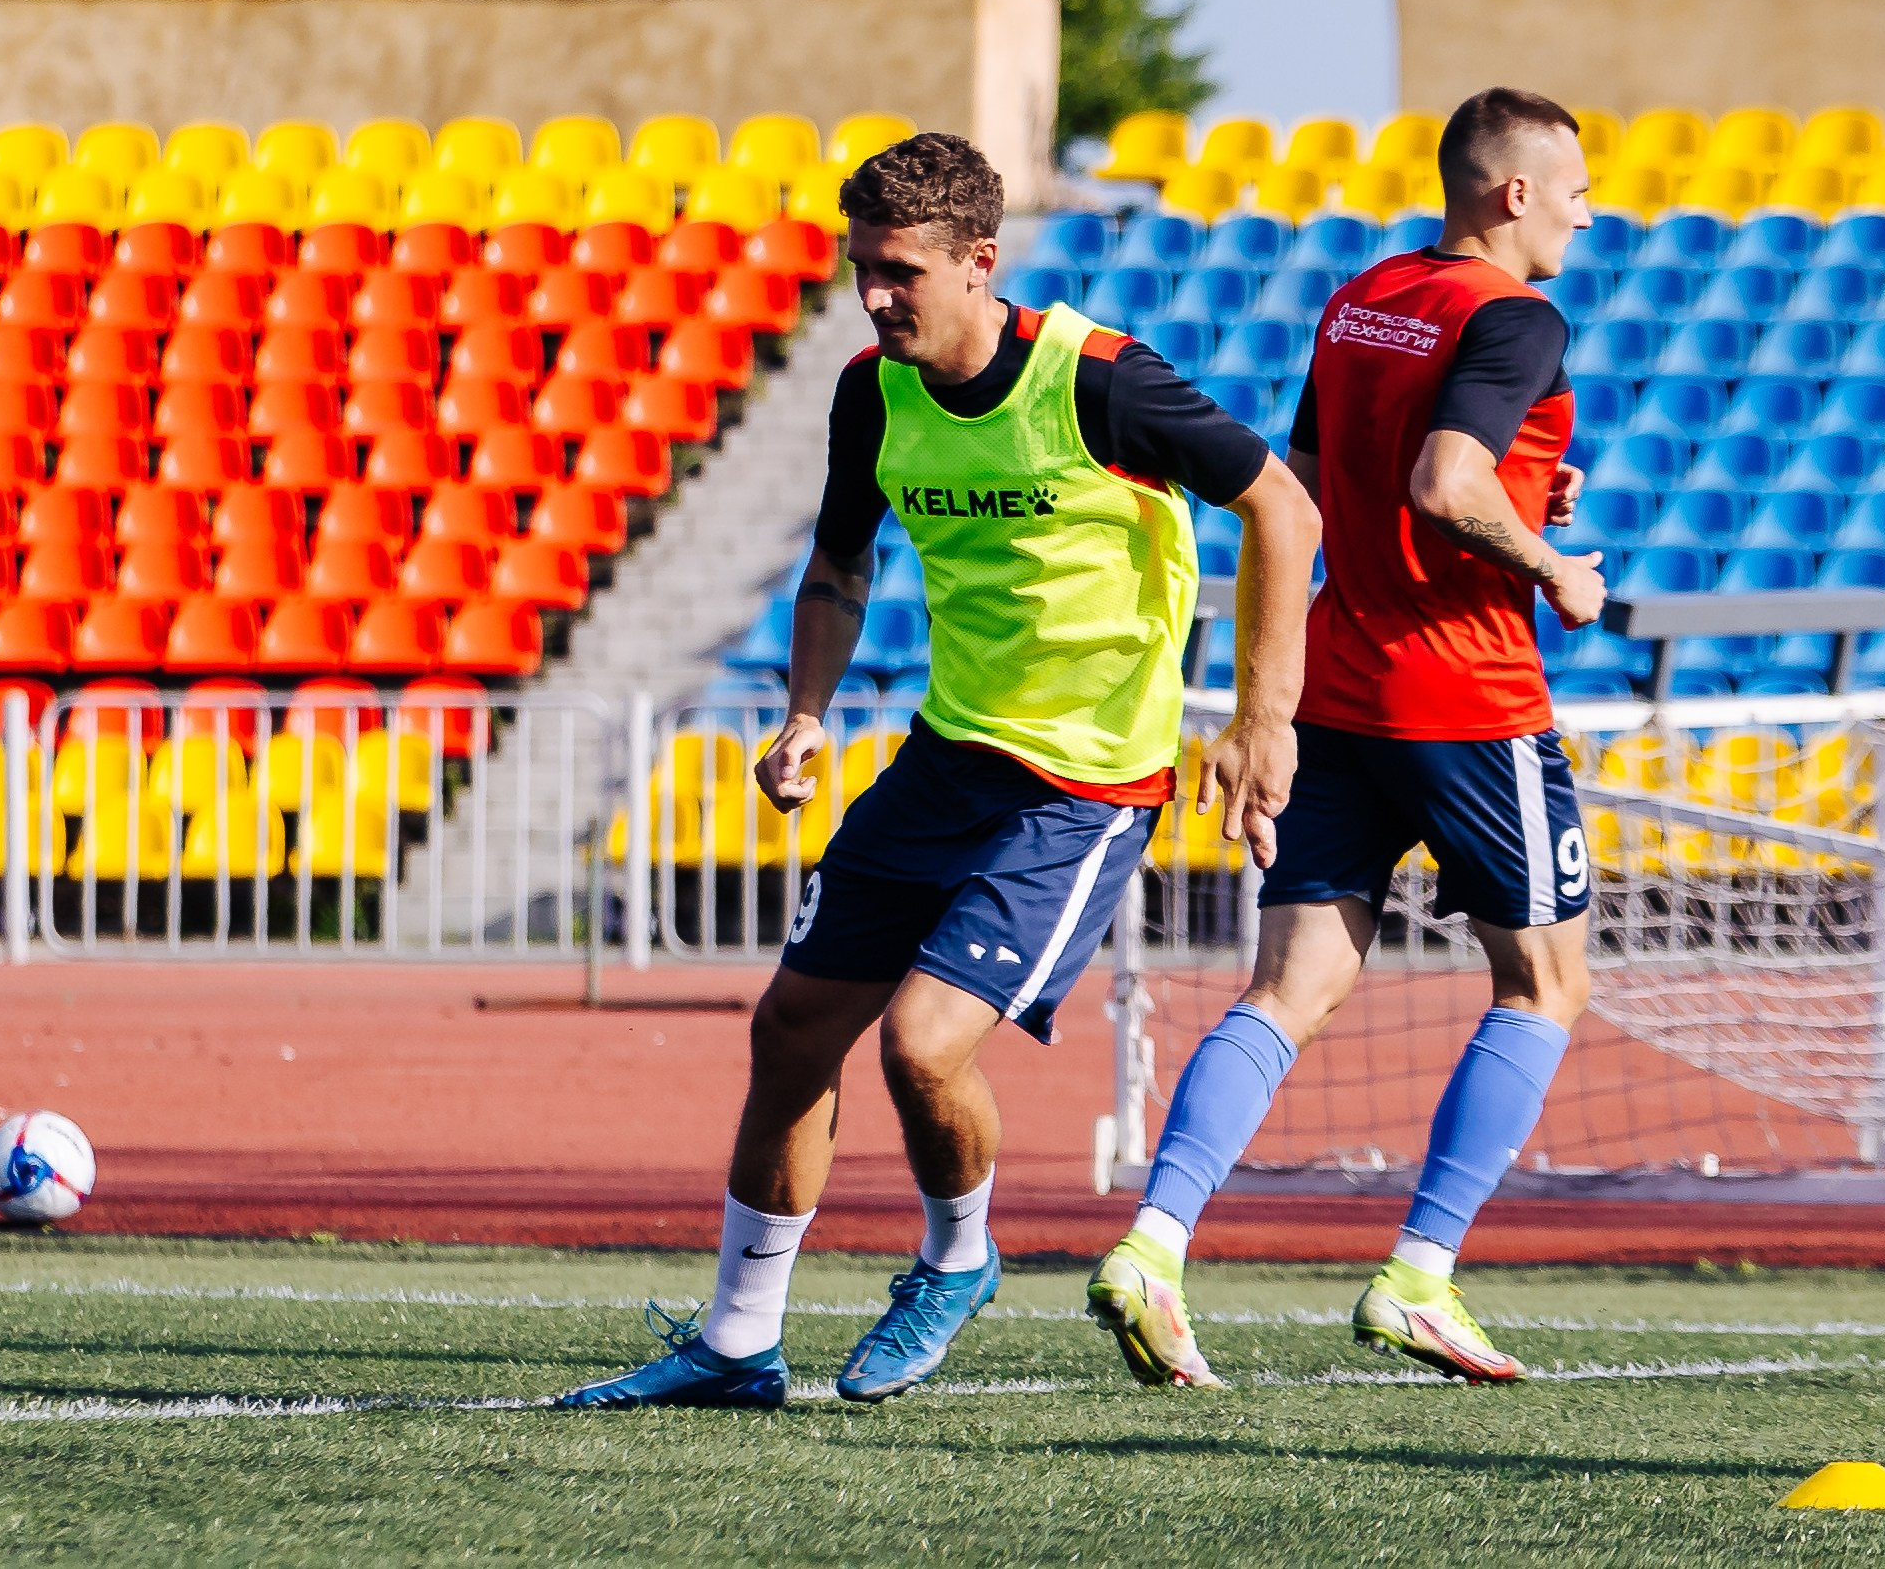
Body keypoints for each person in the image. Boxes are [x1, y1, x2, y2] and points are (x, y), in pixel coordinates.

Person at [559, 132, 1322, 1409]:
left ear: (980, 264)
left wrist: (1264, 717)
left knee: (921, 1045)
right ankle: (739, 1341)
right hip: (946, 755)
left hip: (1083, 786)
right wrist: (805, 713)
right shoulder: (873, 392)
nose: (873, 294)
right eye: (861, 267)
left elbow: (1282, 507)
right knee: (792, 1030)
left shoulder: (1101, 384)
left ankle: (957, 1262)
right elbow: (839, 570)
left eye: (898, 271)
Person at [1085, 87, 1602, 1389]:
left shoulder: (1362, 292)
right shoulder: (1514, 314)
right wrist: (1550, 562)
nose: (1588, 214)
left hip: (1334, 683)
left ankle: (1151, 1244)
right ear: (1512, 192)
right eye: (1577, 190)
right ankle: (1419, 1277)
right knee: (1541, 985)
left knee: (1287, 990)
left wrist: (1520, 483)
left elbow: (1311, 484)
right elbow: (1441, 481)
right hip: (1466, 698)